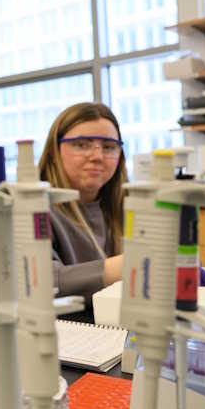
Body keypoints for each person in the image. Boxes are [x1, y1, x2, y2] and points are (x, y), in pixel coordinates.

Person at [37, 102, 127, 299]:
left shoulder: (124, 206)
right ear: (54, 152)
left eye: (109, 147)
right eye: (81, 145)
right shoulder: (33, 208)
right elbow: (38, 280)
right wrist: (119, 268)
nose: (97, 156)